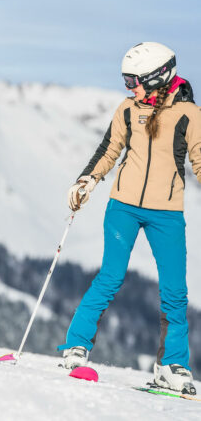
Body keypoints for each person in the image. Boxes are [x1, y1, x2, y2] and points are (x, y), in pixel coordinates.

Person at [59, 42, 199, 394]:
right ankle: (76, 346)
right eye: (126, 80)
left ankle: (172, 365)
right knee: (110, 277)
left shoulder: (189, 115)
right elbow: (109, 149)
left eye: (134, 80)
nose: (129, 87)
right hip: (122, 206)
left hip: (166, 212)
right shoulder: (127, 109)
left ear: (158, 76)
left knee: (175, 292)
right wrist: (87, 179)